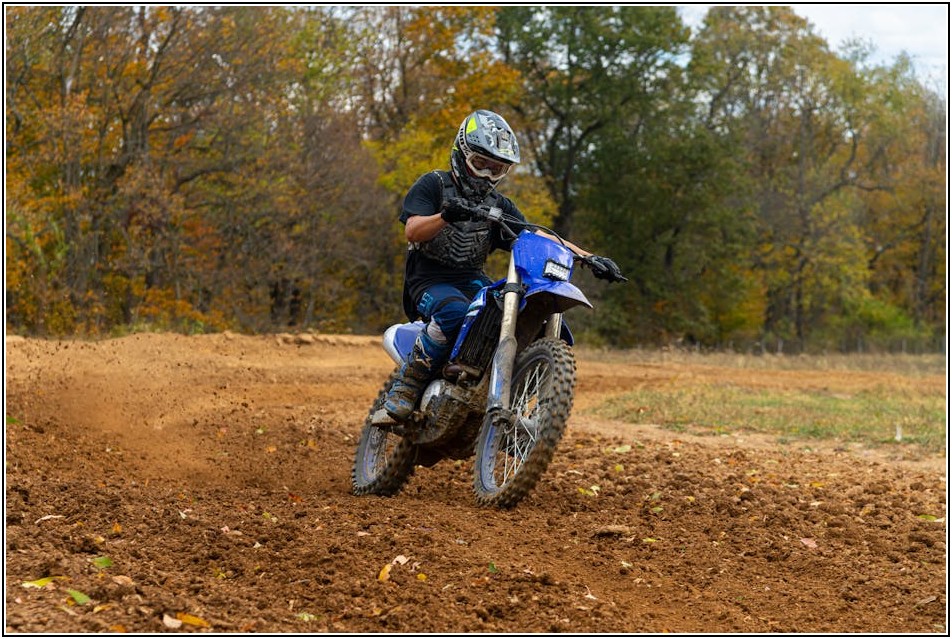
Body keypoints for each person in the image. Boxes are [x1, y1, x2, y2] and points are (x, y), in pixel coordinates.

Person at [383, 109, 625, 421]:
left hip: (471, 279)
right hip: (429, 280)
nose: (486, 175)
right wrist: (446, 215)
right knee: (455, 312)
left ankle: (494, 383)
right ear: (462, 154)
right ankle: (407, 382)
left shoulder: (499, 206)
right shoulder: (434, 184)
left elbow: (539, 235)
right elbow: (412, 229)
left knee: (512, 307)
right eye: (480, 164)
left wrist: (589, 257)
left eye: (496, 169)